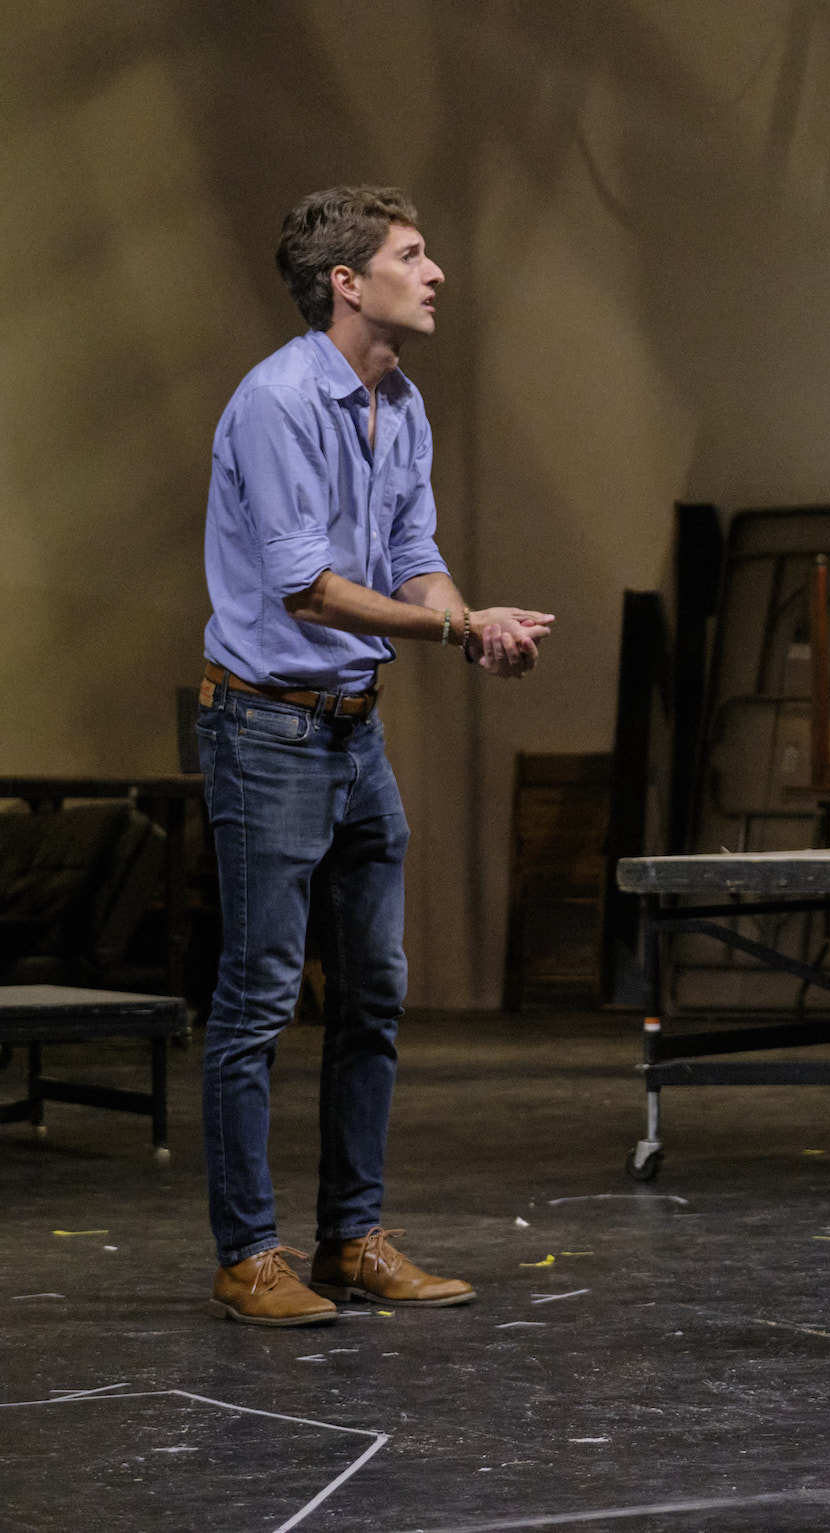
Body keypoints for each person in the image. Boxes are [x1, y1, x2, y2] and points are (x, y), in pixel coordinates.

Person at [198, 187, 554, 1327]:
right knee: (257, 1001)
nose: (436, 269)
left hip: (353, 731)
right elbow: (307, 582)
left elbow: (412, 552)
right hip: (264, 728)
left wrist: (473, 624)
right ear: (346, 281)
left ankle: (351, 1238)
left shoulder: (398, 404)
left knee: (374, 996)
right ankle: (248, 1254)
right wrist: (453, 624)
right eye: (412, 254)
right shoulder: (277, 400)